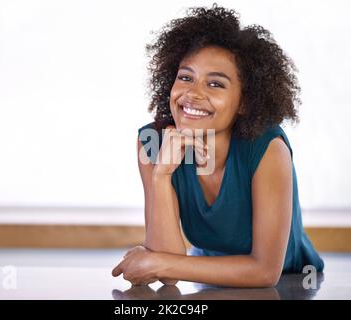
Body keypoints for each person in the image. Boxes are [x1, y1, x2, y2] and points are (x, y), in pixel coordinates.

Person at [112, 4, 324, 287]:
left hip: (294, 282)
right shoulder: (152, 142)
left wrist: (158, 261)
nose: (192, 93)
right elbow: (168, 275)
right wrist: (161, 175)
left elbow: (264, 272)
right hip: (207, 278)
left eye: (215, 84)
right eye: (185, 77)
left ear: (245, 102)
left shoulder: (268, 148)